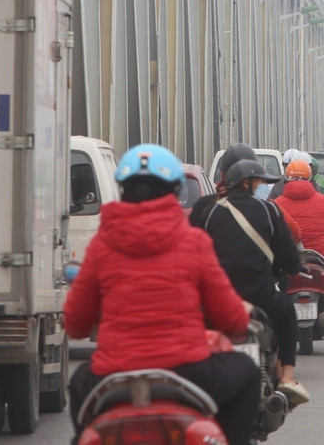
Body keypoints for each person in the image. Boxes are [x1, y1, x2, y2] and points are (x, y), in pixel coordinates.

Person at [65, 144, 258, 445]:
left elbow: (76, 323)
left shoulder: (103, 245)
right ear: (174, 190)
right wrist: (240, 314)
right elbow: (231, 320)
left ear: (123, 188)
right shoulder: (193, 241)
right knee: (248, 372)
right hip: (188, 371)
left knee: (78, 384)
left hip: (114, 372)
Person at [196, 157, 310, 406]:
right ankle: (287, 377)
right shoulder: (269, 211)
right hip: (262, 297)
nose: (262, 186)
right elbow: (289, 258)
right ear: (248, 184)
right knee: (288, 313)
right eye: (259, 182)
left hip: (220, 300)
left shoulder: (211, 212)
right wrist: (292, 267)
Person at [273, 159, 324, 305]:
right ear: (310, 178)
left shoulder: (277, 204)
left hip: (288, 259)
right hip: (321, 257)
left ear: (286, 179)